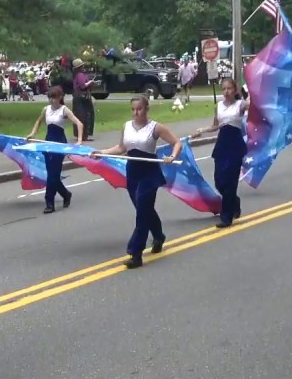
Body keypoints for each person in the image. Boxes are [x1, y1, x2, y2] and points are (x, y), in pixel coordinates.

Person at [92, 95, 183, 269]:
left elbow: (177, 143)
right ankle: (158, 235)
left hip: (149, 173)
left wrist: (172, 156)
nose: (136, 112)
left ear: (147, 109)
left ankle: (136, 253)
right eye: (133, 109)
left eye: (139, 109)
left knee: (142, 212)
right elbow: (121, 148)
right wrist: (101, 151)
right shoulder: (126, 126)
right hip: (133, 172)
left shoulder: (155, 128)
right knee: (144, 209)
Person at [189, 77, 247, 225]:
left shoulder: (241, 105)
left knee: (230, 182)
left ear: (235, 91)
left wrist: (249, 91)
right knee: (219, 181)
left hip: (235, 145)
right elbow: (215, 126)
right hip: (222, 145)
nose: (226, 92)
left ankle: (226, 217)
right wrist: (201, 130)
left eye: (229, 88)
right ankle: (235, 201)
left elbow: (255, 105)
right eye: (224, 89)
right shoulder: (219, 106)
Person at [25, 85, 85, 213]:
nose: (52, 101)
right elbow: (39, 121)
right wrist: (33, 133)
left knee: (53, 174)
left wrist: (79, 141)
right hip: (48, 143)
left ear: (60, 97)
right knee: (52, 175)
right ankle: (66, 194)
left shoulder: (64, 110)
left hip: (59, 143)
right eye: (50, 98)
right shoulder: (46, 109)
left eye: (55, 98)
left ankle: (49, 203)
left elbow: (79, 124)